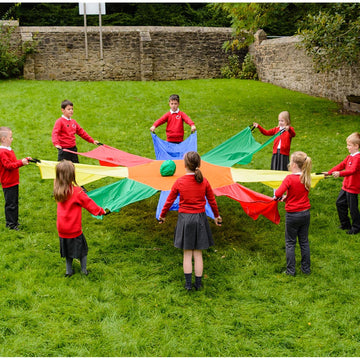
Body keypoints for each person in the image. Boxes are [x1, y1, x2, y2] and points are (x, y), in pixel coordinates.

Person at [158, 151, 222, 290]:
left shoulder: (179, 182)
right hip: (200, 219)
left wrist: (162, 215)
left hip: (185, 220)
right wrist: (217, 216)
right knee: (198, 254)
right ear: (198, 164)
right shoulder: (204, 181)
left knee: (187, 254)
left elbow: (169, 201)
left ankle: (188, 285)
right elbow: (212, 201)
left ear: (185, 165)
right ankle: (198, 285)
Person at [53, 160, 106, 277]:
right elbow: (89, 204)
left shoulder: (57, 188)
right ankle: (84, 271)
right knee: (83, 251)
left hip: (62, 229)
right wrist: (101, 211)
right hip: (74, 229)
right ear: (71, 175)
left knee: (67, 250)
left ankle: (68, 272)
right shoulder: (77, 192)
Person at [274, 151, 312, 276]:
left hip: (292, 215)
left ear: (294, 165)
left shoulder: (290, 178)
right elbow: (299, 193)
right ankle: (306, 269)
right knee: (304, 241)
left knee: (290, 243)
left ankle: (290, 271)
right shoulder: (306, 176)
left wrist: (282, 197)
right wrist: (288, 197)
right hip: (305, 213)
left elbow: (278, 193)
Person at [323, 132, 360, 235]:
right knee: (339, 203)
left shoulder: (358, 158)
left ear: (356, 146)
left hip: (353, 187)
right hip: (346, 186)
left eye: (349, 145)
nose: (347, 147)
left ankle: (356, 227)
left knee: (353, 208)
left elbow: (352, 170)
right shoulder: (350, 157)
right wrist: (329, 172)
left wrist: (340, 174)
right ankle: (345, 225)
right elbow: (341, 165)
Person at [0, 127, 31, 230]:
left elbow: (13, 162)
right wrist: (21, 162)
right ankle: (11, 224)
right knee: (11, 204)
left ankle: (15, 222)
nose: (12, 139)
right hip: (8, 182)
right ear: (3, 139)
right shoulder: (2, 152)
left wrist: (25, 160)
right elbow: (8, 165)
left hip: (13, 181)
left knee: (15, 202)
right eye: (10, 137)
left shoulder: (8, 149)